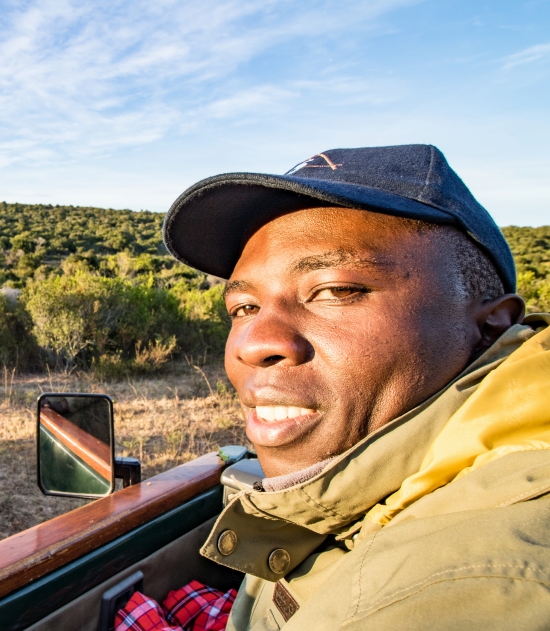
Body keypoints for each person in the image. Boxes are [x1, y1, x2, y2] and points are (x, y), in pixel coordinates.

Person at [162, 144, 550, 630]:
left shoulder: (462, 590)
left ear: (490, 327)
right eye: (244, 308)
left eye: (336, 290)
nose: (254, 342)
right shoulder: (352, 486)